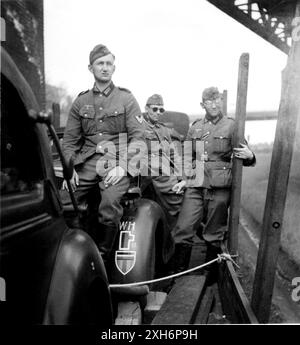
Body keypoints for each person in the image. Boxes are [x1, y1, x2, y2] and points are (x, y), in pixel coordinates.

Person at [62, 44, 145, 266]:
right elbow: (69, 141)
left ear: (114, 68)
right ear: (91, 68)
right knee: (65, 200)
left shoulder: (126, 99)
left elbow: (139, 137)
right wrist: (70, 170)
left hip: (116, 161)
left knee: (109, 204)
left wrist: (124, 167)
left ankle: (102, 260)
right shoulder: (81, 101)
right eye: (100, 63)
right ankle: (74, 254)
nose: (105, 68)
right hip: (87, 162)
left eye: (109, 63)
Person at [170, 86, 255, 276]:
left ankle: (210, 276)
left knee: (214, 231)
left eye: (217, 100)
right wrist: (184, 179)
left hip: (220, 185)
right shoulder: (196, 127)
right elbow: (186, 156)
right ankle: (178, 274)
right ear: (203, 104)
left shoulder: (232, 126)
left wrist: (250, 156)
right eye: (210, 101)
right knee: (183, 227)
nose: (214, 104)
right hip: (196, 183)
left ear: (221, 102)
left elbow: (245, 155)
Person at [142, 94, 185, 230]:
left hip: (162, 172)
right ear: (146, 108)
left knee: (180, 196)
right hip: (144, 171)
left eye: (161, 110)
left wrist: (182, 178)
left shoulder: (164, 130)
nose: (158, 113)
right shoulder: (137, 126)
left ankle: (173, 235)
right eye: (155, 109)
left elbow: (174, 155)